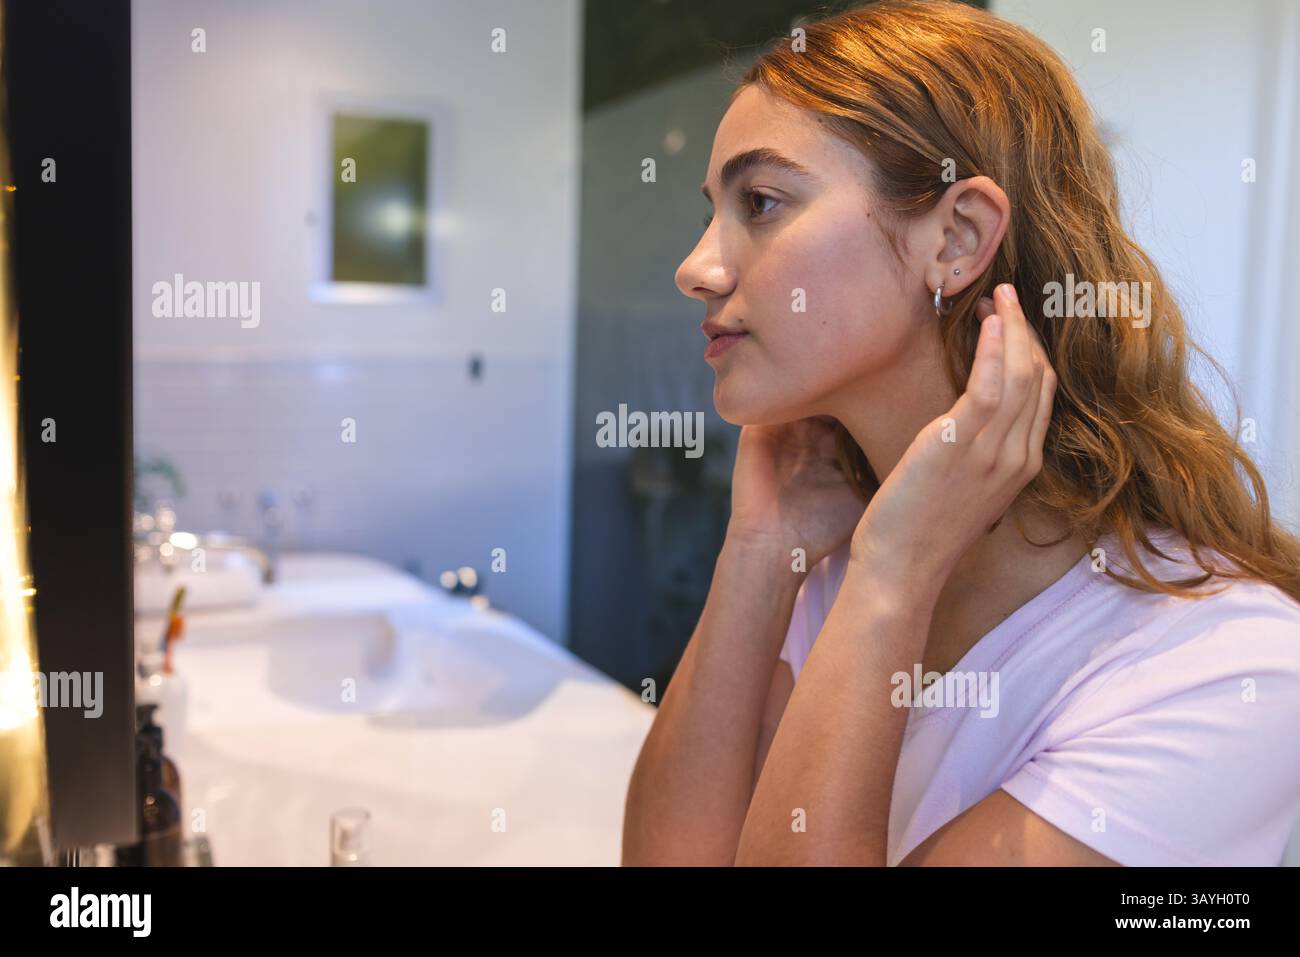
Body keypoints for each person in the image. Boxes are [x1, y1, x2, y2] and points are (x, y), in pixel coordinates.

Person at [622, 0, 1300, 866]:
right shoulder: (828, 566)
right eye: (713, 210)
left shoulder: (1225, 666)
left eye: (760, 201)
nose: (697, 267)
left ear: (958, 237)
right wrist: (758, 554)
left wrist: (892, 583)